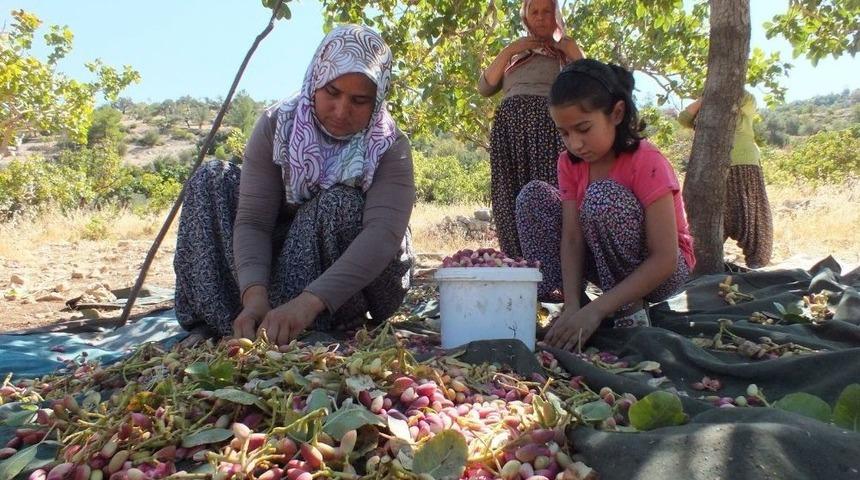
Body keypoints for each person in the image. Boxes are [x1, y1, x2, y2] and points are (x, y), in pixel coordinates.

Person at [173, 25, 415, 346]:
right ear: (315, 80)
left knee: (340, 203)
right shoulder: (278, 125)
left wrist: (308, 303)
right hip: (280, 261)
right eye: (332, 92)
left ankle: (315, 321)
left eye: (359, 100)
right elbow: (254, 222)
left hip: (357, 281)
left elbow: (382, 236)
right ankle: (234, 321)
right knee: (212, 178)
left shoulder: (388, 146)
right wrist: (255, 296)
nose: (342, 110)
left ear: (378, 99)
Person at [515, 59, 695, 350]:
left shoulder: (647, 161)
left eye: (583, 128)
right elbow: (572, 237)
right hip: (602, 262)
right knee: (533, 196)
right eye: (564, 133)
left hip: (661, 271)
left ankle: (625, 308)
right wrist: (575, 304)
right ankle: (574, 310)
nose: (575, 143)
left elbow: (665, 258)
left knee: (602, 197)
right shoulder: (569, 163)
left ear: (617, 114)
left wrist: (599, 310)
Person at [478, 0, 585, 261]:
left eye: (546, 11)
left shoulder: (564, 50)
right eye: (533, 12)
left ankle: (554, 270)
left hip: (547, 130)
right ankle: (518, 264)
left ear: (555, 15)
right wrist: (509, 50)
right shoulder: (515, 54)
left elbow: (589, 81)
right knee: (509, 193)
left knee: (548, 194)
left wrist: (572, 50)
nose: (540, 17)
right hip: (509, 132)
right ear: (525, 16)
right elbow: (485, 87)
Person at [677, 90, 773, 268]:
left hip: (743, 166)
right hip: (711, 169)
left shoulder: (746, 105)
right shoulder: (706, 113)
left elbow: (746, 97)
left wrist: (718, 91)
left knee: (751, 220)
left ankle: (756, 264)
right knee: (716, 217)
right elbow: (683, 118)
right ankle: (701, 264)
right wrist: (705, 98)